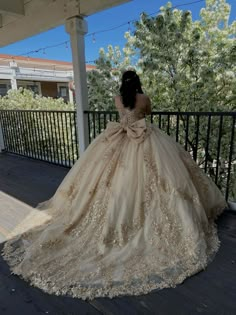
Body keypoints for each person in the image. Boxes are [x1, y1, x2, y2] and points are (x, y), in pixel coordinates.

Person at [2, 70, 227, 300]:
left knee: (108, 183)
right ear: (138, 82)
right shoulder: (145, 99)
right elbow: (147, 112)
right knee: (161, 182)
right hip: (145, 140)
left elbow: (128, 112)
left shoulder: (117, 99)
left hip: (117, 140)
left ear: (122, 84)